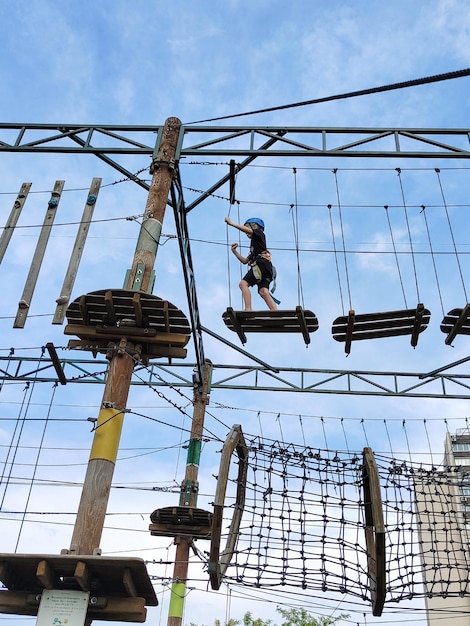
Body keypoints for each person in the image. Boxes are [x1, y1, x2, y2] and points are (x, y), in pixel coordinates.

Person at [225, 215, 278, 311]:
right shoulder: (255, 247)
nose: (246, 232)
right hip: (265, 267)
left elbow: (249, 231)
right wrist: (234, 252)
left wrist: (231, 223)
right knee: (263, 291)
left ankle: (248, 309)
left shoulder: (259, 234)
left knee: (243, 284)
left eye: (247, 227)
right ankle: (275, 312)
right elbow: (245, 261)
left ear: (254, 226)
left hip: (261, 264)